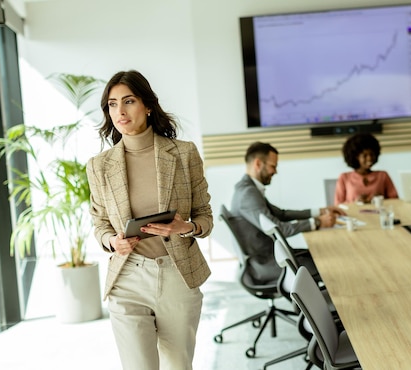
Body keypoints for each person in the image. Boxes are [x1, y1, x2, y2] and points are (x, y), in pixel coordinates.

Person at [86, 70, 213, 370]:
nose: (120, 111)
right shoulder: (99, 166)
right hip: (127, 278)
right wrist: (111, 241)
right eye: (112, 104)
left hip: (177, 274)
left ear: (148, 106)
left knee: (177, 365)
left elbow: (205, 216)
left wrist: (187, 228)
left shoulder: (184, 154)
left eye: (128, 101)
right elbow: (100, 223)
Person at [230, 141, 345, 282]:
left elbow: (282, 214)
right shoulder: (248, 194)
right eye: (273, 166)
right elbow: (278, 229)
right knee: (330, 264)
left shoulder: (248, 189)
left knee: (323, 255)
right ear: (258, 164)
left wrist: (319, 211)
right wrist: (317, 222)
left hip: (271, 256)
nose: (275, 172)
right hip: (266, 263)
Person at [335, 132, 398, 205]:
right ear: (356, 157)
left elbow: (395, 201)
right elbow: (338, 205)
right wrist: (356, 203)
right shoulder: (344, 177)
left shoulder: (383, 175)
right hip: (353, 215)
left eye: (372, 154)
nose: (369, 158)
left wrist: (380, 199)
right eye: (365, 155)